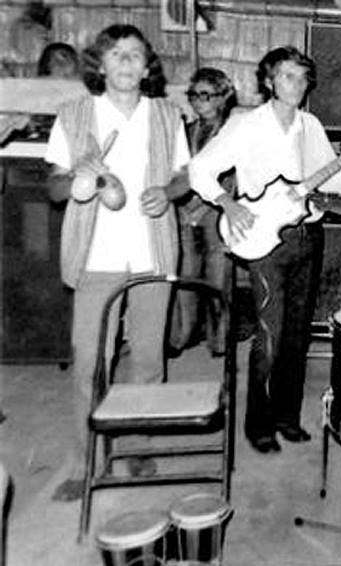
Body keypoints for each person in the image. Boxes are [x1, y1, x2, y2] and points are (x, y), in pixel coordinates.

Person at [189, 46, 341, 454]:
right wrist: (227, 203)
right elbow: (199, 168)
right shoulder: (245, 125)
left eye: (302, 77)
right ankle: (258, 424)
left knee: (297, 334)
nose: (296, 84)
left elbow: (335, 183)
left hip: (308, 235)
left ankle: (286, 417)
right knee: (269, 334)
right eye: (287, 76)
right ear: (269, 81)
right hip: (264, 242)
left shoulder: (311, 126)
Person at [43, 24, 191, 501]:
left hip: (152, 250)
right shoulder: (74, 115)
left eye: (135, 54)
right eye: (116, 54)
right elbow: (53, 188)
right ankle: (85, 461)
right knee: (90, 361)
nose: (126, 62)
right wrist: (78, 180)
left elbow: (185, 175)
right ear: (100, 65)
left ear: (147, 68)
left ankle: (139, 445)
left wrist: (167, 192)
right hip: (96, 255)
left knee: (147, 359)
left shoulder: (167, 115)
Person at [169, 67, 237, 357]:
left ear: (223, 97)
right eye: (193, 95)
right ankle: (182, 335)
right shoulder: (185, 132)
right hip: (184, 210)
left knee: (219, 278)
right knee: (184, 275)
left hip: (217, 212)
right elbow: (177, 172)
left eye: (205, 95)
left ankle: (220, 340)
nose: (198, 102)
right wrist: (183, 206)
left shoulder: (233, 132)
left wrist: (204, 206)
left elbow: (232, 180)